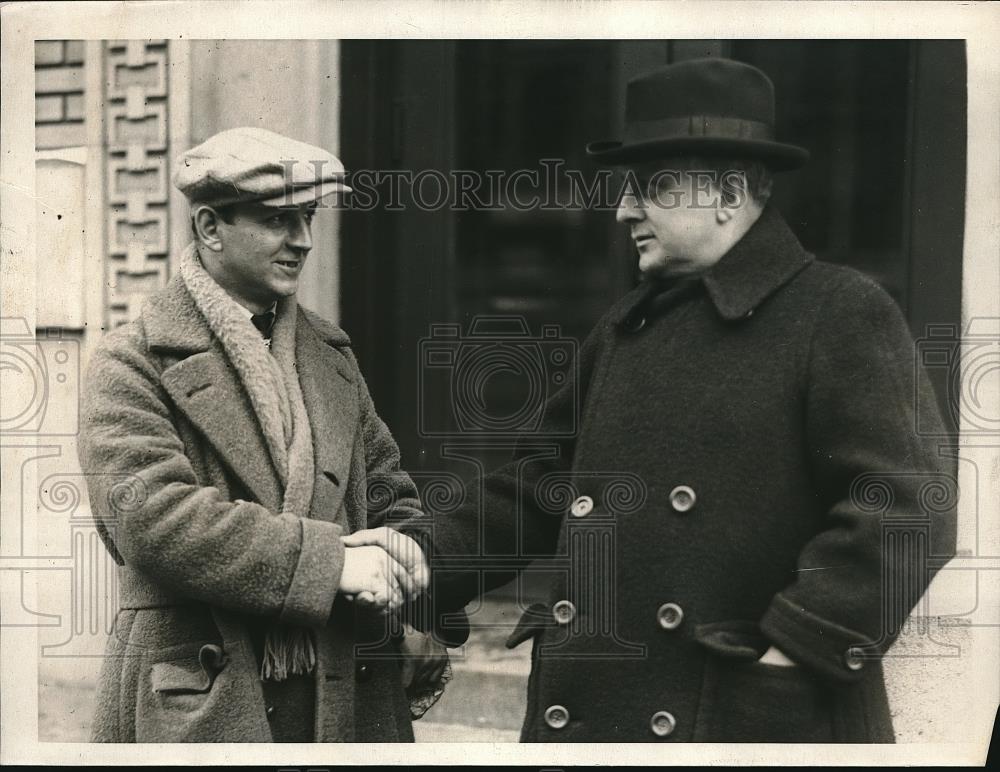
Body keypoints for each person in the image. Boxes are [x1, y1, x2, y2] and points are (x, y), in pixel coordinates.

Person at [349, 57, 958, 742]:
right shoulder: (626, 328)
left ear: (730, 193)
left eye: (653, 187)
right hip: (601, 710)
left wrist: (794, 652)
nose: (623, 209)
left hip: (745, 715)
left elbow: (907, 508)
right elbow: (538, 488)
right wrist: (418, 555)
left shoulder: (839, 312)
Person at [78, 127, 458, 743]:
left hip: (349, 694)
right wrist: (331, 563)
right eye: (280, 219)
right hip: (203, 699)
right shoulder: (132, 361)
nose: (303, 241)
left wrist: (410, 573)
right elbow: (153, 520)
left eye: (307, 217)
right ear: (209, 228)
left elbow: (392, 493)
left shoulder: (330, 354)